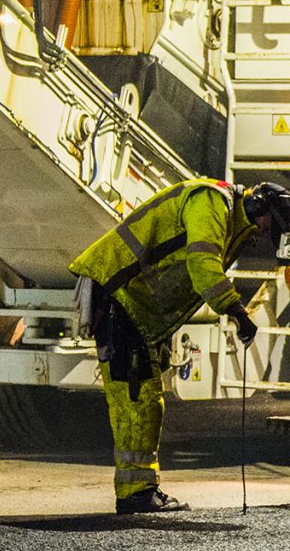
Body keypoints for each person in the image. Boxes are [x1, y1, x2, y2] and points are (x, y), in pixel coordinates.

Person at [71, 177, 290, 514]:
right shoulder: (211, 203)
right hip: (119, 294)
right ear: (259, 207)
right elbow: (203, 268)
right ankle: (135, 493)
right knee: (137, 398)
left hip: (131, 302)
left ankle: (139, 490)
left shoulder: (228, 216)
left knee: (145, 397)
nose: (264, 234)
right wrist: (238, 312)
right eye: (268, 225)